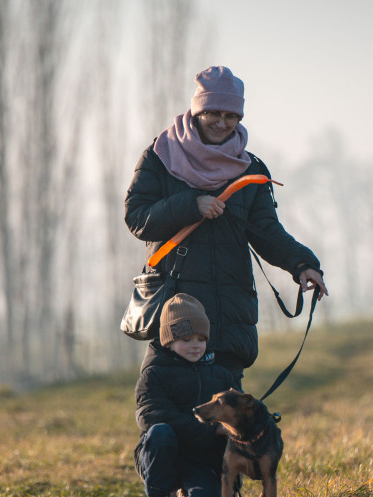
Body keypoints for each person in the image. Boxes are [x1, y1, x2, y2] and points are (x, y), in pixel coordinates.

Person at [125, 65, 329, 387]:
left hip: (228, 315)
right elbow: (137, 217)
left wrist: (302, 264)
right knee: (161, 413)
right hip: (176, 312)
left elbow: (265, 230)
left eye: (231, 116)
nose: (222, 123)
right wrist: (191, 206)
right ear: (197, 111)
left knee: (226, 425)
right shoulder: (159, 157)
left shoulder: (251, 169)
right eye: (213, 113)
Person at [134, 293, 236, 497]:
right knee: (160, 431)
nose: (195, 345)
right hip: (160, 453)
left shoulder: (220, 375)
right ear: (168, 340)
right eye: (186, 338)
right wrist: (213, 429)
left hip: (198, 457)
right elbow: (151, 416)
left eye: (201, 338)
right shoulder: (154, 374)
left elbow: (236, 413)